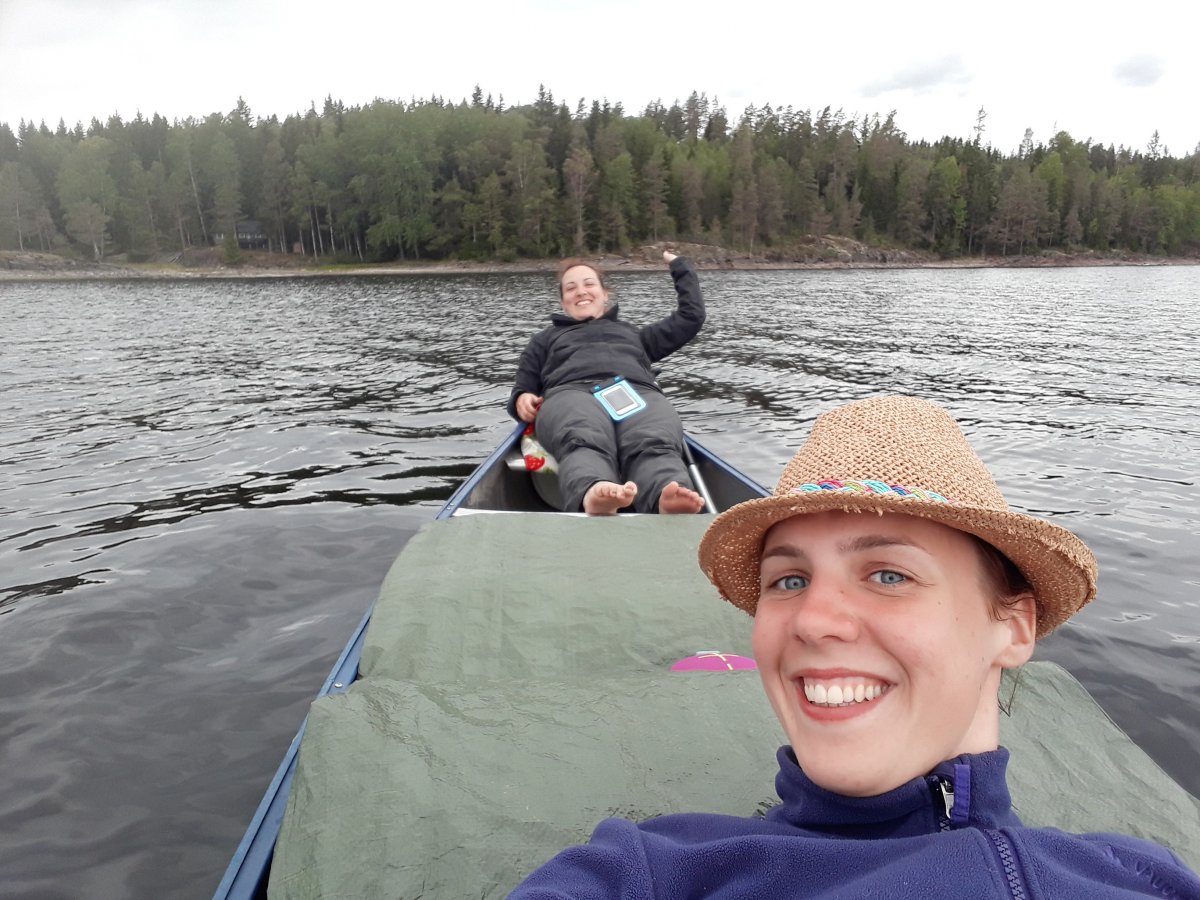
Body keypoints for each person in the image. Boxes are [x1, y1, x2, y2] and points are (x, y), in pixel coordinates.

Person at [509, 396, 1200, 897]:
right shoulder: (647, 874)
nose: (813, 620)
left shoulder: (1141, 878)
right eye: (789, 580)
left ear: (1013, 627)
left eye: (889, 575)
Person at [507, 251, 706, 515]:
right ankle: (593, 490)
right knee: (581, 434)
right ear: (563, 302)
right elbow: (524, 385)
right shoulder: (545, 340)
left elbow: (691, 317)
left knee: (652, 438)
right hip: (570, 393)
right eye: (571, 288)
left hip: (633, 391)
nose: (581, 291)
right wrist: (522, 398)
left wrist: (681, 267)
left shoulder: (635, 335)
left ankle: (665, 495)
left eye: (589, 284)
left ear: (605, 294)